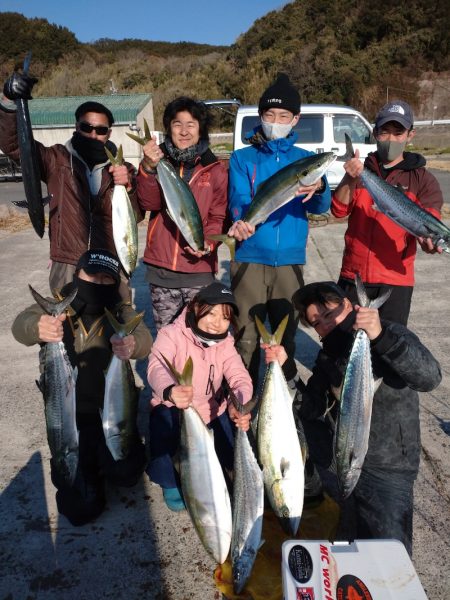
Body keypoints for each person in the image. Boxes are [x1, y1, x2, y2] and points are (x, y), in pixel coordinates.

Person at [264, 281, 441, 555]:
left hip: (389, 464)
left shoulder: (389, 332)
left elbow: (429, 377)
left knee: (390, 553)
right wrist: (286, 367)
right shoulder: (327, 357)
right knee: (350, 546)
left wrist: (380, 337)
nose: (326, 323)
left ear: (349, 305)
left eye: (329, 313)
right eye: (317, 322)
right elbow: (310, 408)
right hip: (348, 457)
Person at [11, 249, 153, 526]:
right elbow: (19, 326)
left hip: (111, 412)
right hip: (69, 416)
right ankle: (88, 468)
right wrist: (38, 327)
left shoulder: (121, 311)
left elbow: (143, 338)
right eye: (91, 275)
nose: (98, 283)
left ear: (115, 284)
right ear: (76, 274)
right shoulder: (57, 306)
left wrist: (133, 344)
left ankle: (103, 461)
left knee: (126, 473)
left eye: (106, 279)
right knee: (79, 509)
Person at [226, 73, 331, 389]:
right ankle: (244, 401)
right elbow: (239, 199)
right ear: (260, 116)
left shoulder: (306, 160)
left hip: (289, 260)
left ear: (295, 118)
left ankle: (285, 402)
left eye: (283, 116)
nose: (276, 121)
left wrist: (321, 187)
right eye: (269, 115)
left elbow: (318, 207)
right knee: (245, 336)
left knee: (285, 339)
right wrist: (240, 221)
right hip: (248, 257)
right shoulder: (242, 158)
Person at [0, 70, 143, 297]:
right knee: (68, 328)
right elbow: (15, 145)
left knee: (117, 328)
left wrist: (129, 188)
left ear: (109, 133)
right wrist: (9, 102)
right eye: (86, 128)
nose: (93, 134)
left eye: (101, 130)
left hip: (110, 262)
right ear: (76, 127)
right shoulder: (56, 159)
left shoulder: (123, 169)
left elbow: (135, 217)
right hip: (67, 264)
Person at [331, 100, 444, 325]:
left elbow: (430, 225)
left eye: (398, 132)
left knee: (388, 348)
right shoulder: (362, 170)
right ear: (375, 133)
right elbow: (338, 210)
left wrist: (429, 243)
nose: (391, 139)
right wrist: (349, 178)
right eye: (385, 132)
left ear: (410, 135)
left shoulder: (424, 181)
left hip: (395, 281)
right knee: (346, 346)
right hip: (354, 275)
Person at [146, 281, 253, 511]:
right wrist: (170, 390)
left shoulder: (225, 342)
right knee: (164, 444)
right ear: (196, 308)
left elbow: (240, 378)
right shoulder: (171, 334)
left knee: (228, 462)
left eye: (225, 317)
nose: (217, 323)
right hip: (173, 407)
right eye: (212, 313)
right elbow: (156, 366)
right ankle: (170, 481)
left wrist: (239, 404)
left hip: (211, 410)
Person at [136, 96, 229, 331]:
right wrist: (147, 168)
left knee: (202, 337)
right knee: (168, 340)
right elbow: (149, 202)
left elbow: (218, 217)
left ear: (201, 129)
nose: (184, 131)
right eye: (177, 124)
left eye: (191, 124)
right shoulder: (158, 162)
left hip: (199, 272)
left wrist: (208, 244)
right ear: (169, 128)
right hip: (161, 272)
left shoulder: (215, 169)